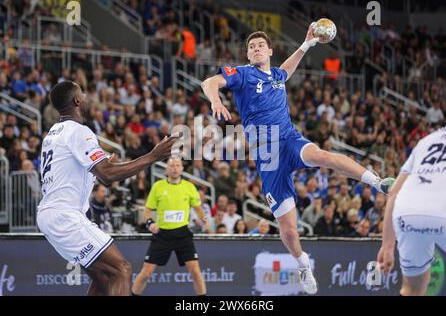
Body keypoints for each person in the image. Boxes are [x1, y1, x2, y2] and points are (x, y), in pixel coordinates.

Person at [201, 25, 395, 294]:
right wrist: (215, 100)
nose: (256, 48)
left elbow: (287, 71)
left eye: (260, 45)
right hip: (267, 156)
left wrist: (306, 45)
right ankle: (303, 263)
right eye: (251, 47)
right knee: (290, 232)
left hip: (290, 140)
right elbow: (209, 82)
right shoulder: (243, 74)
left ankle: (378, 182)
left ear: (269, 51)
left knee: (321, 155)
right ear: (248, 55)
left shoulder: (278, 75)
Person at [37, 81, 177, 296]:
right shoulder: (79, 131)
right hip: (65, 216)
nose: (86, 98)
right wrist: (153, 156)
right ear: (76, 101)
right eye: (82, 94)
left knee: (103, 279)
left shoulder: (54, 133)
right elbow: (107, 175)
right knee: (122, 270)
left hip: (52, 214)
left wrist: (106, 168)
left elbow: (93, 174)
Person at [377, 125, 446, 296]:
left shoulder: (427, 140)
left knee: (412, 289)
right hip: (445, 210)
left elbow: (394, 191)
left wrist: (387, 245)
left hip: (408, 212)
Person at [132, 156, 207, 296]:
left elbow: (197, 207)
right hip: (162, 234)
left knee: (196, 272)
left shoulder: (189, 187)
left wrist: (203, 217)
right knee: (146, 273)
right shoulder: (158, 186)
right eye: (172, 165)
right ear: (166, 169)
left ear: (182, 169)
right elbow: (147, 211)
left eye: (178, 165)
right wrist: (150, 223)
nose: (175, 168)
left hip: (183, 234)